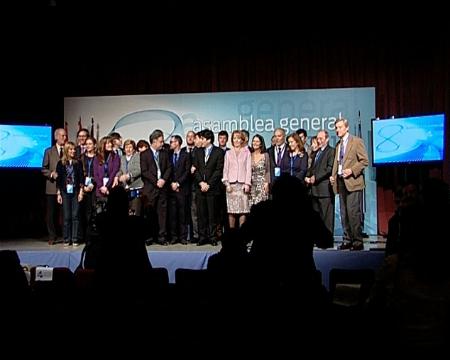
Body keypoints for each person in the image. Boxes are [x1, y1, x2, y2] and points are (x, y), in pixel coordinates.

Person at [330, 118, 368, 251]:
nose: (337, 130)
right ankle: (347, 239)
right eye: (336, 127)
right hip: (341, 182)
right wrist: (333, 176)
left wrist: (351, 170)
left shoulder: (356, 142)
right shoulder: (338, 145)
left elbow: (364, 161)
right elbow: (337, 163)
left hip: (353, 182)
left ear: (347, 128)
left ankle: (357, 241)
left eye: (340, 127)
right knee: (344, 213)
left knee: (353, 213)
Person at [192, 129, 224, 245]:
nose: (200, 140)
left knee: (212, 214)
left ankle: (212, 237)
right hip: (200, 188)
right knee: (201, 214)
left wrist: (209, 184)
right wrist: (201, 183)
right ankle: (202, 237)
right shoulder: (198, 151)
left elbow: (218, 171)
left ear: (208, 140)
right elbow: (194, 169)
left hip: (212, 188)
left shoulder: (219, 152)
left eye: (202, 138)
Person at [140, 129, 172, 245]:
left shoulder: (164, 153)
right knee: (149, 214)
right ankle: (149, 237)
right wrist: (156, 181)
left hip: (162, 188)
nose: (162, 143)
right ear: (154, 141)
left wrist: (163, 180)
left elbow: (169, 167)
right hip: (150, 189)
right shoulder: (144, 154)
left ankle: (162, 237)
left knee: (162, 214)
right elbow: (144, 171)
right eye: (160, 141)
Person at [305, 130, 335, 245]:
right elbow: (311, 168)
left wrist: (315, 178)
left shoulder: (331, 151)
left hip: (324, 190)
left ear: (327, 139)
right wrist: (308, 177)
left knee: (326, 217)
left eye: (321, 138)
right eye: (318, 138)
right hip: (314, 190)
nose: (319, 141)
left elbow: (329, 168)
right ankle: (318, 239)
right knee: (317, 218)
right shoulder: (316, 152)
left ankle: (327, 240)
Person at [41, 128, 67, 245]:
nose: (64, 138)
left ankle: (65, 235)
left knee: (65, 212)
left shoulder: (68, 150)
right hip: (52, 187)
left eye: (65, 136)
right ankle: (52, 236)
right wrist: (51, 174)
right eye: (62, 136)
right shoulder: (49, 151)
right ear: (56, 137)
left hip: (65, 187)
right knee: (51, 213)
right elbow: (43, 169)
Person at [56, 142, 84, 246]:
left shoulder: (78, 163)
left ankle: (75, 238)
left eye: (74, 150)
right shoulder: (61, 163)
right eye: (70, 149)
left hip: (76, 190)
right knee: (67, 216)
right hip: (65, 191)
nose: (73, 151)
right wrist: (58, 193)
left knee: (75, 215)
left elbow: (81, 177)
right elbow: (59, 180)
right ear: (66, 151)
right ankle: (66, 238)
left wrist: (81, 192)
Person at [222, 130, 252, 229]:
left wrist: (247, 184)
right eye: (234, 138)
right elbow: (225, 169)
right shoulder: (228, 153)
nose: (236, 140)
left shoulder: (247, 152)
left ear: (242, 140)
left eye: (238, 138)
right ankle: (231, 235)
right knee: (231, 211)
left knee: (243, 210)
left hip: (243, 184)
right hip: (231, 185)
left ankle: (241, 236)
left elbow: (248, 169)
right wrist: (227, 184)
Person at [168, 135, 190, 244]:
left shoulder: (186, 155)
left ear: (177, 143)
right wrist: (172, 183)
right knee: (173, 215)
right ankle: (174, 237)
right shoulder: (169, 155)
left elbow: (187, 172)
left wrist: (178, 183)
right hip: (171, 189)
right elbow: (167, 170)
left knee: (182, 214)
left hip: (182, 189)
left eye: (172, 142)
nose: (170, 144)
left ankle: (183, 237)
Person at [117, 139, 144, 216]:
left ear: (134, 148)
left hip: (136, 188)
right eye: (126, 147)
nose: (128, 149)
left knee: (135, 212)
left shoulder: (138, 156)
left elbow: (139, 169)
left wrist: (129, 175)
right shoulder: (122, 158)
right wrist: (117, 176)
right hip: (125, 189)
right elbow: (120, 170)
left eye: (130, 147)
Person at [249, 134, 270, 207]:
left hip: (262, 185)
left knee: (262, 208)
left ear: (261, 144)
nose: (255, 143)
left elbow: (267, 170)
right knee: (252, 207)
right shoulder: (249, 155)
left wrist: (266, 183)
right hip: (251, 185)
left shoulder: (265, 155)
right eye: (253, 141)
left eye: (257, 141)